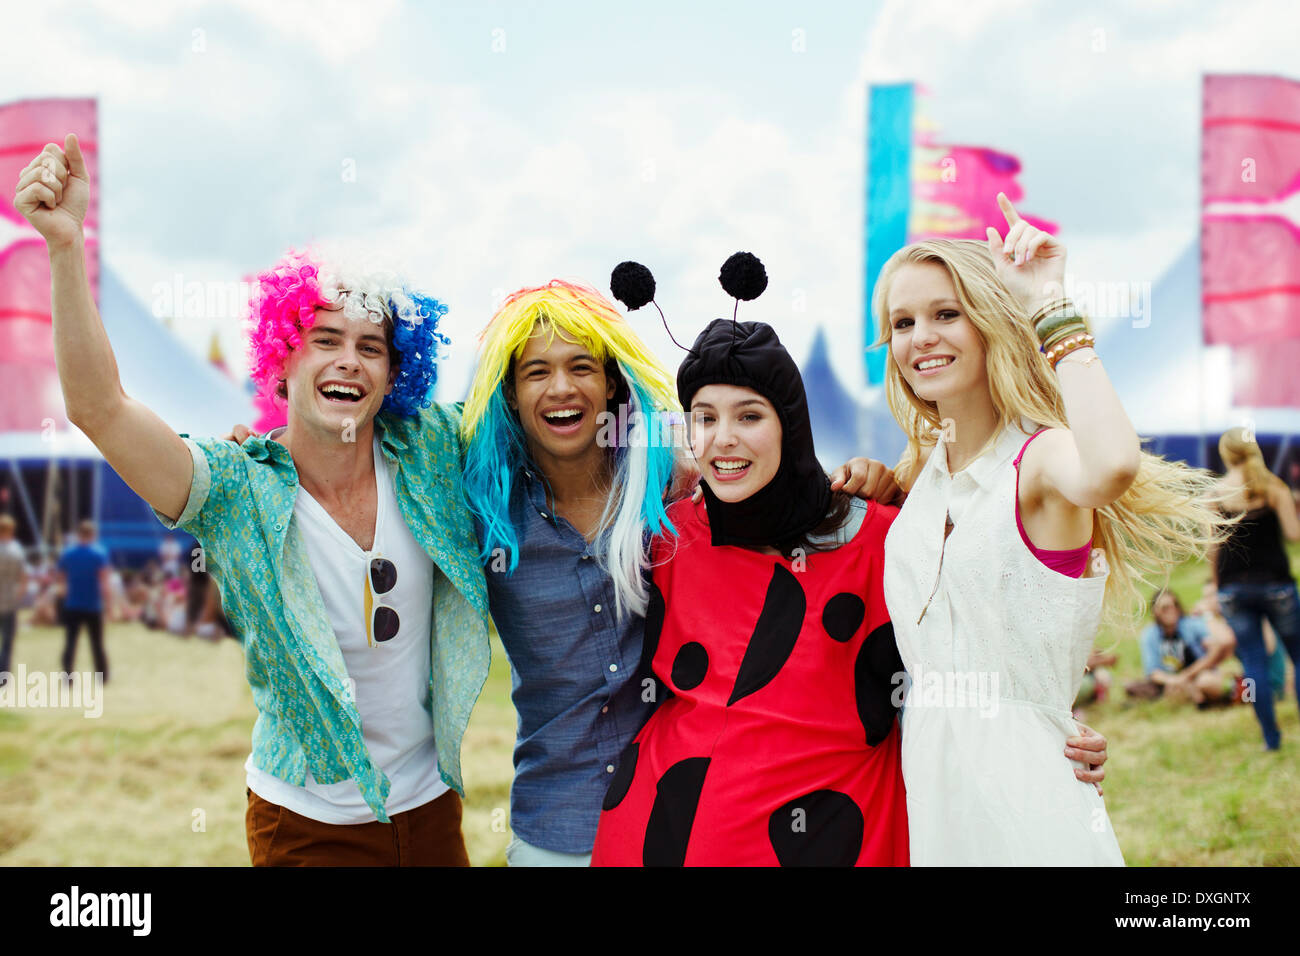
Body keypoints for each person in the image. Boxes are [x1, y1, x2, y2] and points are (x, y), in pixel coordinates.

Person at [14, 134, 487, 866]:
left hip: (431, 815)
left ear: (396, 374)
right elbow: (100, 407)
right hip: (308, 826)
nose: (348, 361)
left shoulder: (428, 455)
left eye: (371, 346)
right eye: (325, 338)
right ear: (283, 356)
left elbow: (542, 420)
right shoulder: (235, 490)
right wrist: (67, 249)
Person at [460, 278, 895, 866]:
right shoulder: (485, 512)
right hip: (553, 824)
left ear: (611, 381)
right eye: (536, 371)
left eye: (581, 366)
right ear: (509, 392)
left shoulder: (669, 492)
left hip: (664, 831)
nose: (561, 387)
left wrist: (875, 484)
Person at [875, 195, 1228, 865]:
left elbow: (1113, 465)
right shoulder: (923, 477)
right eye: (902, 321)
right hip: (928, 792)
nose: (920, 336)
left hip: (1029, 801)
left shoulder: (1039, 458)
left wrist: (1051, 308)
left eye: (946, 314)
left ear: (991, 322)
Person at [1210, 426, 1300, 749]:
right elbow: (1294, 534)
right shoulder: (1273, 488)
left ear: (1226, 453)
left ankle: (1270, 739)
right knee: (1298, 657)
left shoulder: (1216, 494)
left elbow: (1213, 547)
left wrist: (1216, 587)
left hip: (1233, 589)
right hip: (1277, 585)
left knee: (1252, 662)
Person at [1126, 588, 1239, 706]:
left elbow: (1216, 649)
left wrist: (1187, 675)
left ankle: (1243, 694)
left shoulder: (1191, 624)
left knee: (1205, 682)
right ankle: (1200, 698)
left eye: (1175, 605)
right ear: (1155, 611)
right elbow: (1153, 672)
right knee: (1134, 687)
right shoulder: (1150, 634)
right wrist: (1175, 680)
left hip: (1199, 674)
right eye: (1165, 608)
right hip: (1172, 681)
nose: (1172, 610)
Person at [57, 520, 111, 683]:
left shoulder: (68, 553)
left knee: (70, 643)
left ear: (79, 534)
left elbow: (61, 580)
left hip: (73, 603)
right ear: (92, 535)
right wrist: (108, 604)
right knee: (97, 643)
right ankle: (102, 677)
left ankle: (68, 676)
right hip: (93, 605)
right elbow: (104, 582)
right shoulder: (99, 554)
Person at [0, 515, 27, 686]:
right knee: (7, 642)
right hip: (9, 602)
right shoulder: (16, 551)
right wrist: (18, 597)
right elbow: (23, 579)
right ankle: (3, 677)